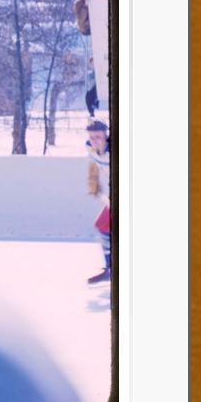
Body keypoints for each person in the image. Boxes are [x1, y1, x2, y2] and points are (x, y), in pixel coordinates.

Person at [85, 119, 112, 285]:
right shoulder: (89, 148)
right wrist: (94, 183)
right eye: (92, 137)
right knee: (103, 226)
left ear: (106, 136)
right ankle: (110, 269)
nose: (95, 140)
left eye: (98, 137)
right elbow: (94, 167)